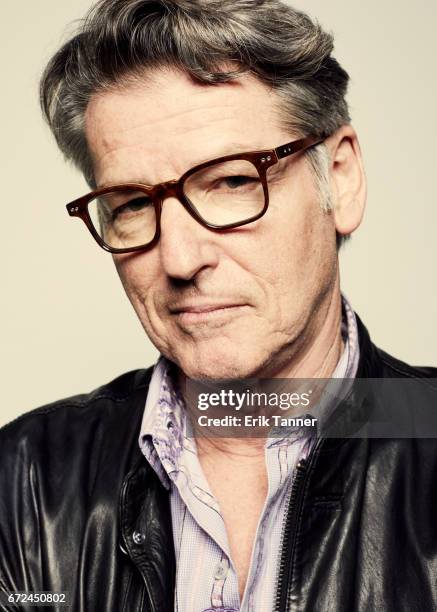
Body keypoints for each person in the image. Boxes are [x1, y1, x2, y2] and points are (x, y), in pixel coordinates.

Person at [1, 1, 436, 610]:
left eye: (232, 181)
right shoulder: (23, 480)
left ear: (340, 179)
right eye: (130, 205)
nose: (179, 258)